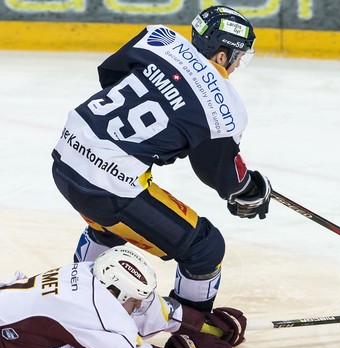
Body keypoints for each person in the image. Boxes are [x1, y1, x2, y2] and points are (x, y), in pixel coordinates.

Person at [51, 5, 271, 313]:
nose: (235, 67)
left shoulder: (160, 38)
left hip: (67, 155)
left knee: (109, 224)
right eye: (237, 58)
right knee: (206, 249)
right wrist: (249, 191)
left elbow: (110, 75)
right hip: (107, 188)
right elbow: (220, 174)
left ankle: (74, 303)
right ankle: (192, 332)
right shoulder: (224, 105)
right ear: (222, 55)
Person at [0, 245, 247, 348]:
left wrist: (206, 326)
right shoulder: (91, 310)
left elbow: (145, 307)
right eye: (135, 299)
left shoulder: (91, 272)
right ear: (117, 292)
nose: (139, 304)